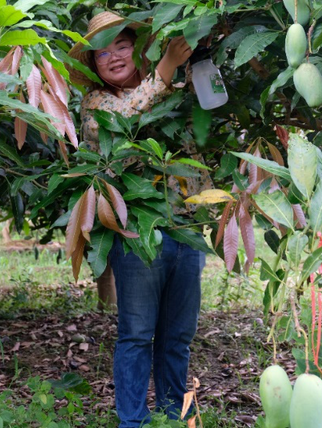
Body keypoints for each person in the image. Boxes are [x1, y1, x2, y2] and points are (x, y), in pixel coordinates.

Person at [67, 11, 211, 427]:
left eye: (123, 46)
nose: (114, 57)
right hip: (137, 236)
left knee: (177, 337)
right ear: (93, 66)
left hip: (184, 229)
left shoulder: (173, 92)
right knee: (136, 335)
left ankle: (171, 415)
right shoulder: (96, 104)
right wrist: (166, 68)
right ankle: (133, 421)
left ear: (137, 49)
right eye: (102, 53)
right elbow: (128, 120)